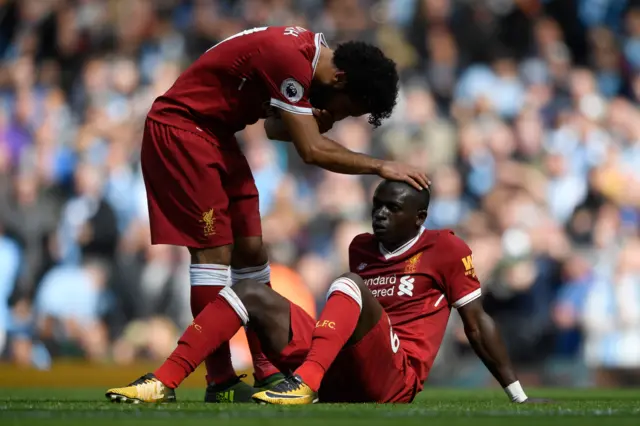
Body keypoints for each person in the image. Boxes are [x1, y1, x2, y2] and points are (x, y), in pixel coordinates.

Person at [140, 25, 429, 402]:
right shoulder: (289, 57)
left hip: (219, 136)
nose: (341, 117)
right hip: (183, 130)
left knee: (252, 250)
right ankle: (221, 379)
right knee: (214, 254)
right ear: (340, 78)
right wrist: (379, 166)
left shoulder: (310, 60)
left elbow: (276, 128)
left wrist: (315, 121)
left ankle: (266, 371)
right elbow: (311, 151)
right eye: (348, 109)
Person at [106, 180, 534, 405]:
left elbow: (477, 324)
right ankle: (163, 381)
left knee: (349, 285)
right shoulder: (360, 247)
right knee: (251, 290)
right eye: (376, 205)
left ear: (419, 216)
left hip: (396, 378)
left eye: (393, 208)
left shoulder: (446, 248)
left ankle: (303, 383)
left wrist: (516, 393)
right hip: (343, 369)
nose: (380, 215)